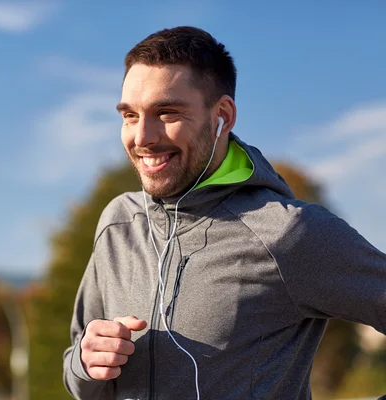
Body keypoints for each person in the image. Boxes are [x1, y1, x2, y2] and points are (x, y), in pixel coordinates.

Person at [61, 26, 386, 399]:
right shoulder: (118, 222)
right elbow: (79, 375)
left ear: (223, 116)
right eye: (130, 115)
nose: (142, 137)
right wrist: (86, 364)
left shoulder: (288, 233)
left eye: (166, 112)